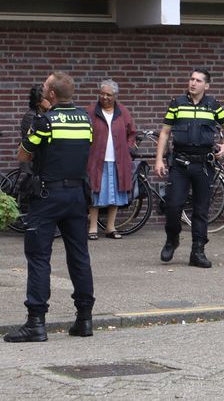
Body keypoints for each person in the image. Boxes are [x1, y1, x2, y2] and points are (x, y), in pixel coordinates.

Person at [5, 72, 95, 343]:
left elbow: (23, 154)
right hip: (78, 195)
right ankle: (84, 319)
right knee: (79, 256)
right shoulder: (85, 118)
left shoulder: (44, 121)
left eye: (45, 87)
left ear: (52, 95)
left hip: (48, 195)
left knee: (39, 256)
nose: (42, 90)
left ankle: (36, 322)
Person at [154, 69, 224, 269]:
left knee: (201, 210)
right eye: (191, 79)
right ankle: (172, 239)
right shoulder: (177, 103)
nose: (193, 83)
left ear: (206, 86)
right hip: (180, 163)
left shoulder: (214, 105)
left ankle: (197, 251)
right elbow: (164, 133)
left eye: (198, 80)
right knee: (173, 206)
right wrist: (159, 160)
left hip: (204, 165)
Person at [85, 79, 137, 240]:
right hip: (96, 159)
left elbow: (132, 132)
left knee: (114, 193)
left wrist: (128, 148)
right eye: (102, 93)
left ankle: (110, 227)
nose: (104, 97)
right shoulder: (91, 111)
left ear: (115, 96)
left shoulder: (123, 112)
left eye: (108, 94)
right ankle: (92, 228)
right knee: (95, 192)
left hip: (117, 160)